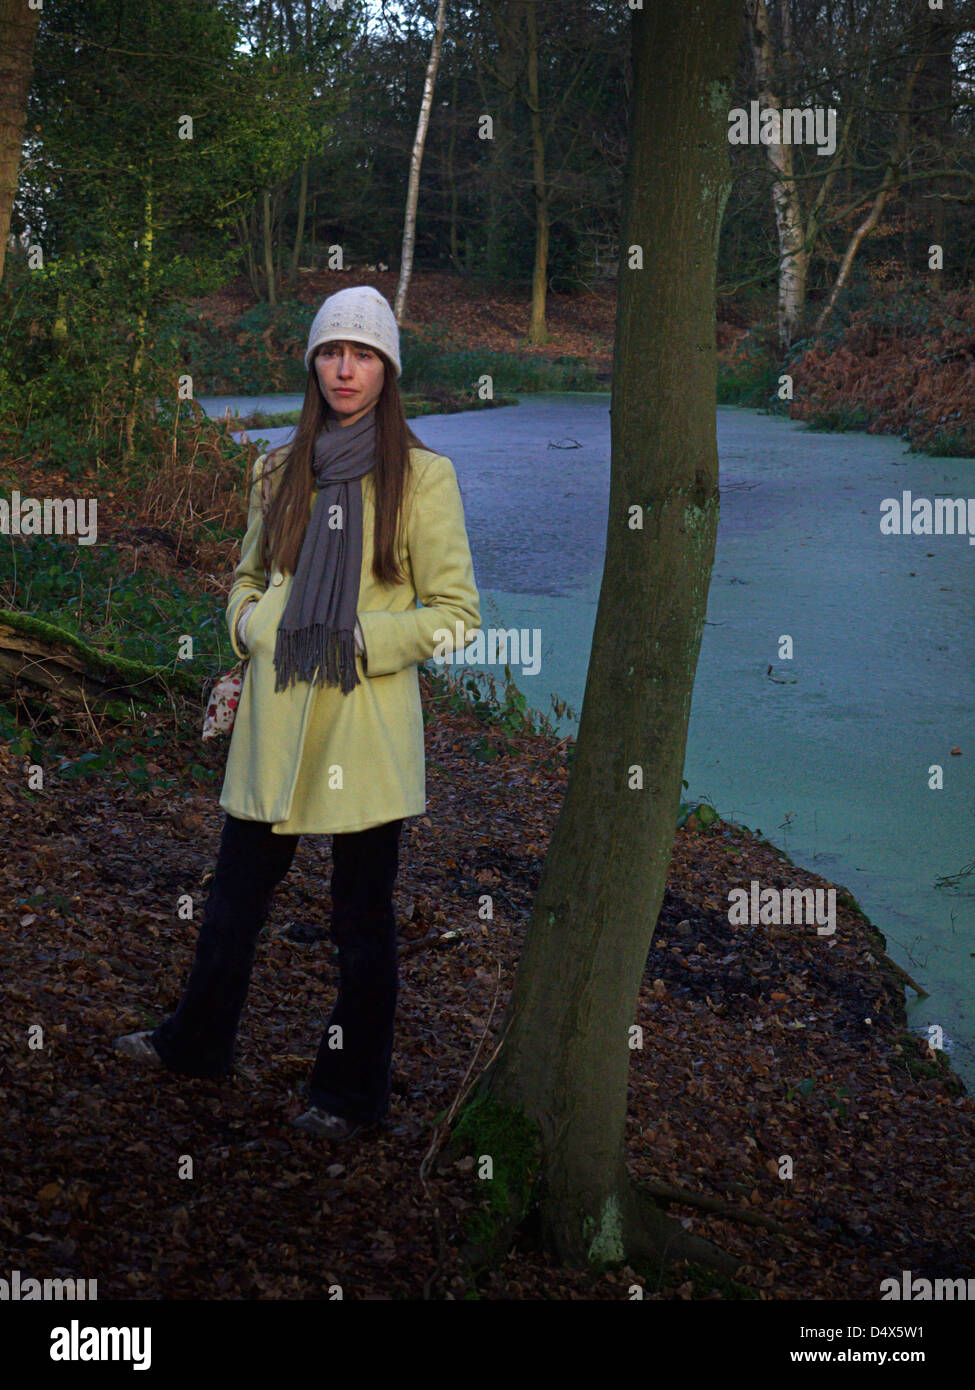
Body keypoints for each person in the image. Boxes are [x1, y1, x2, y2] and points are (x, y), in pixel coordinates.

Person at [116, 286, 481, 1141]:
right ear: (313, 363)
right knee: (233, 900)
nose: (344, 368)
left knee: (359, 921)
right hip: (275, 719)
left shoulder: (424, 477)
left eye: (362, 354)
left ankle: (348, 1096)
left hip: (364, 725)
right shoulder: (276, 469)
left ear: (387, 370)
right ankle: (194, 1044)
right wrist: (251, 623)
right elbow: (245, 577)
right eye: (330, 352)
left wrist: (360, 639)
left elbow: (457, 614)